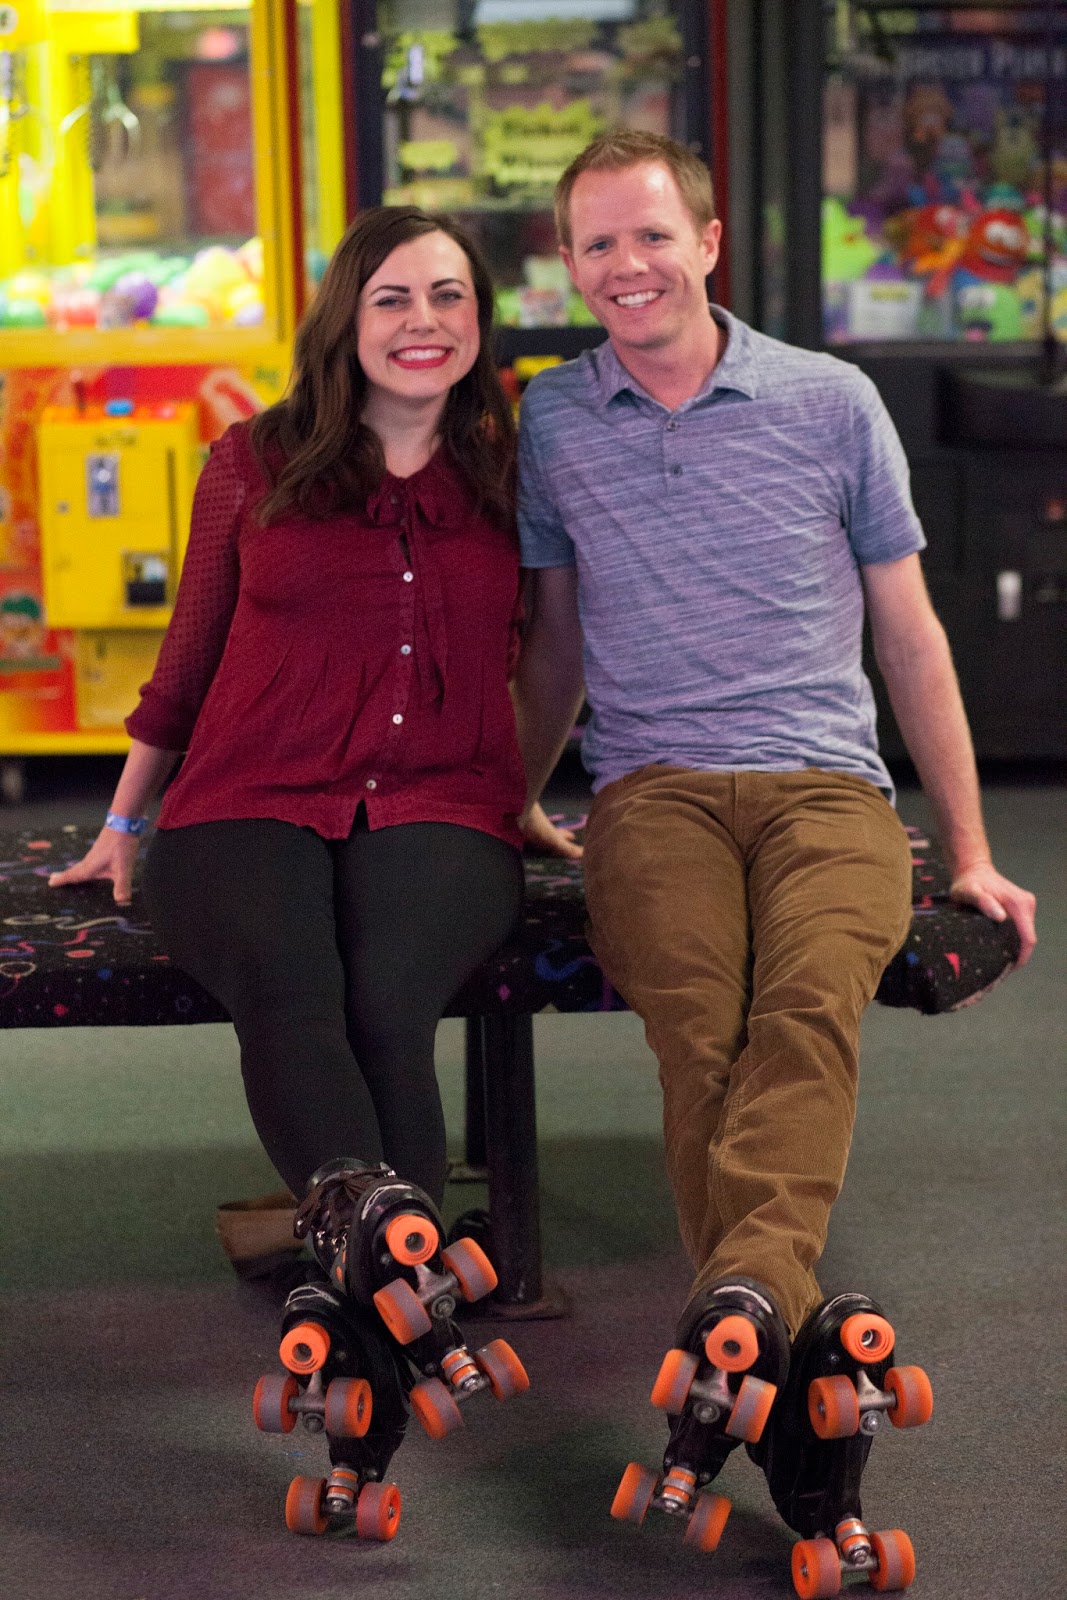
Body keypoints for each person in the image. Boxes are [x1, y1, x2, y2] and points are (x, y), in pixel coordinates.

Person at [512, 131, 1037, 1588]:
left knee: (807, 1006)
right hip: (655, 789)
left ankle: (739, 1315)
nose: (627, 267)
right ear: (572, 265)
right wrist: (510, 795)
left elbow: (909, 634)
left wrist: (975, 849)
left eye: (651, 237)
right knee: (702, 1035)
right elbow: (553, 643)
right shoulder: (554, 420)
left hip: (828, 789)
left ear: (711, 240)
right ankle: (784, 1362)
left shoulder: (830, 402)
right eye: (598, 245)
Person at [48, 205, 576, 1538]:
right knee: (291, 988)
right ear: (346, 316)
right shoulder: (256, 460)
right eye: (395, 297)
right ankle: (404, 1292)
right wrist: (125, 822)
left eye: (451, 298)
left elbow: (549, 653)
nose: (425, 324)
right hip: (247, 795)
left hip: (442, 804)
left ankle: (359, 1306)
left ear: (479, 323)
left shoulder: (515, 469)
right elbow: (192, 651)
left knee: (390, 1002)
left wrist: (523, 797)